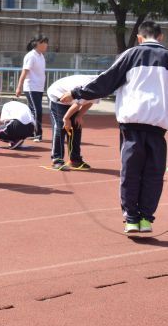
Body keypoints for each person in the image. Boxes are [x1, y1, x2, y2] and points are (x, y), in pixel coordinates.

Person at [60, 20, 168, 233]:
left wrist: (76, 94)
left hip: (132, 125)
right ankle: (146, 219)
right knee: (153, 174)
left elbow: (105, 81)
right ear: (160, 37)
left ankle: (131, 219)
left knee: (130, 172)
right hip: (158, 126)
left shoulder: (130, 55)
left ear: (139, 37)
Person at [46, 74, 98, 171]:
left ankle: (75, 160)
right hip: (58, 96)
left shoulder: (104, 87)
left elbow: (90, 101)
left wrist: (79, 116)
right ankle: (57, 160)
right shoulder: (91, 85)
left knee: (76, 126)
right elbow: (78, 103)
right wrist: (66, 119)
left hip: (73, 101)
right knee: (61, 127)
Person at [15, 34, 48, 142]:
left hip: (39, 88)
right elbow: (25, 72)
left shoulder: (41, 56)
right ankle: (38, 134)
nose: (46, 45)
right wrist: (19, 87)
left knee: (32, 111)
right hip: (31, 87)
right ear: (37, 44)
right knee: (37, 110)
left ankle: (30, 132)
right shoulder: (31, 56)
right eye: (44, 42)